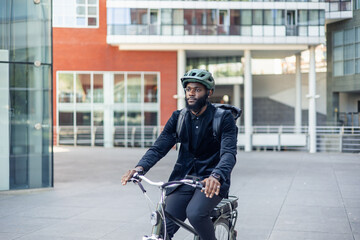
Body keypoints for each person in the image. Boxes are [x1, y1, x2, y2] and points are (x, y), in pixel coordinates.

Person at [121, 69, 238, 240]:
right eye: (189, 89)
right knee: (162, 227)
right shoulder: (179, 117)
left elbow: (228, 153)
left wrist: (216, 175)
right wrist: (140, 168)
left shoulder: (223, 118)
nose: (191, 93)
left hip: (211, 181)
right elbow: (158, 148)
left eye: (197, 89)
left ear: (209, 92)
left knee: (195, 213)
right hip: (183, 179)